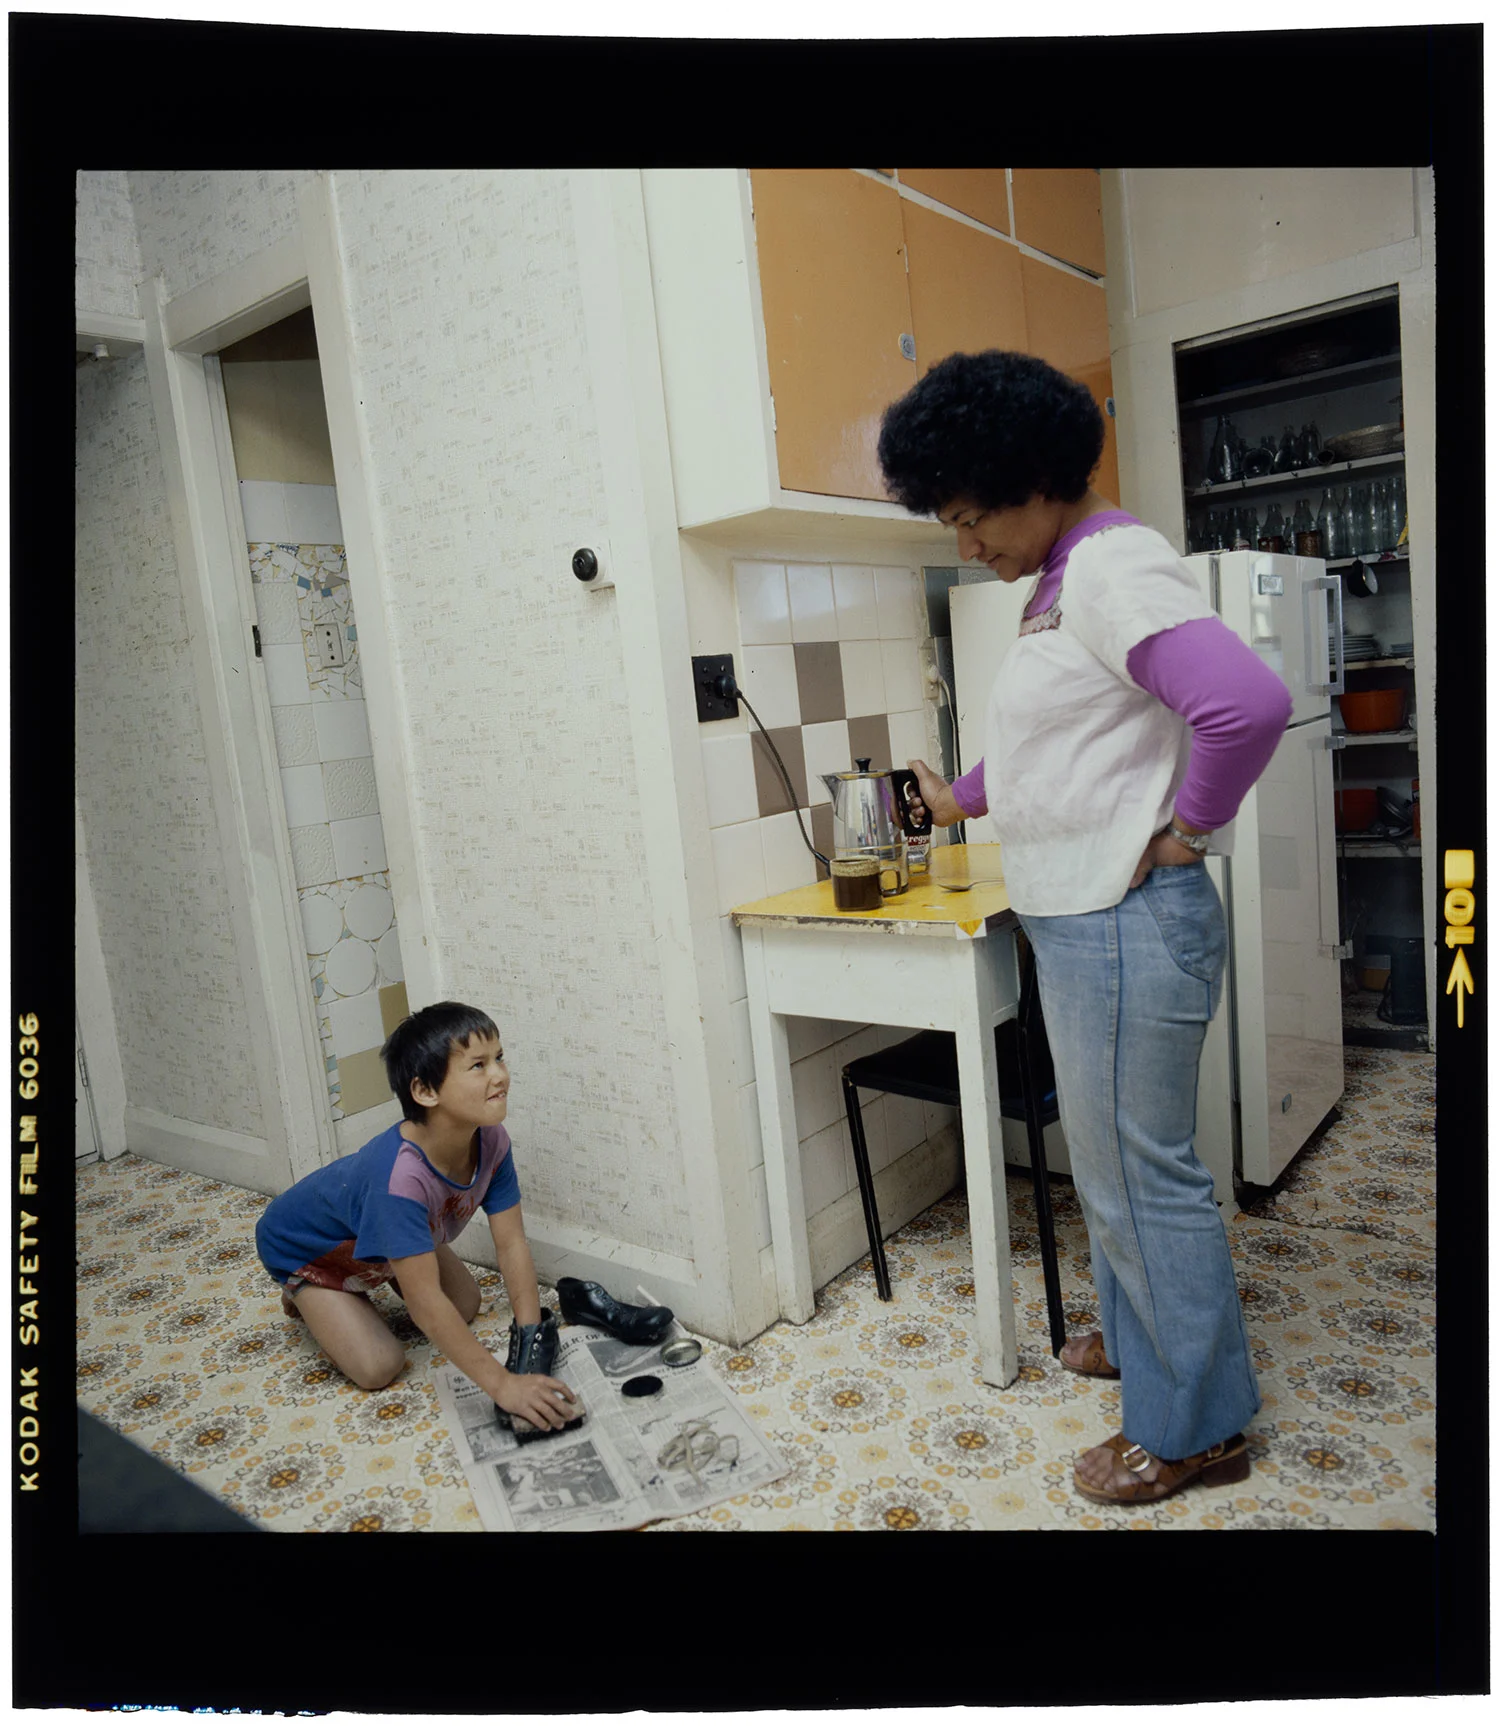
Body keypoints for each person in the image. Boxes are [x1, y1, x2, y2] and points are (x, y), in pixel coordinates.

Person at [877, 350, 1293, 1506]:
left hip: (1126, 916)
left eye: (968, 517)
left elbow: (1246, 704)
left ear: (1031, 481)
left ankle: (1195, 1427)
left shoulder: (1110, 570)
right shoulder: (1060, 580)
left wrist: (1189, 833)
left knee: (1135, 1178)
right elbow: (1058, 750)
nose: (965, 544)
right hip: (1090, 921)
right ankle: (1142, 1337)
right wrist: (953, 798)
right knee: (1112, 1169)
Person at [255, 1000, 580, 1434]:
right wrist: (503, 1386)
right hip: (307, 1249)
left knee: (465, 1305)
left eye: (499, 1057)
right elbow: (426, 1308)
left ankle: (392, 1261)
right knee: (379, 1366)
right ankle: (307, 1293)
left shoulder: (492, 1142)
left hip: (385, 1232)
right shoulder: (399, 1181)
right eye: (478, 1066)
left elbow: (511, 1243)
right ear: (426, 1091)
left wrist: (530, 1337)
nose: (500, 1074)